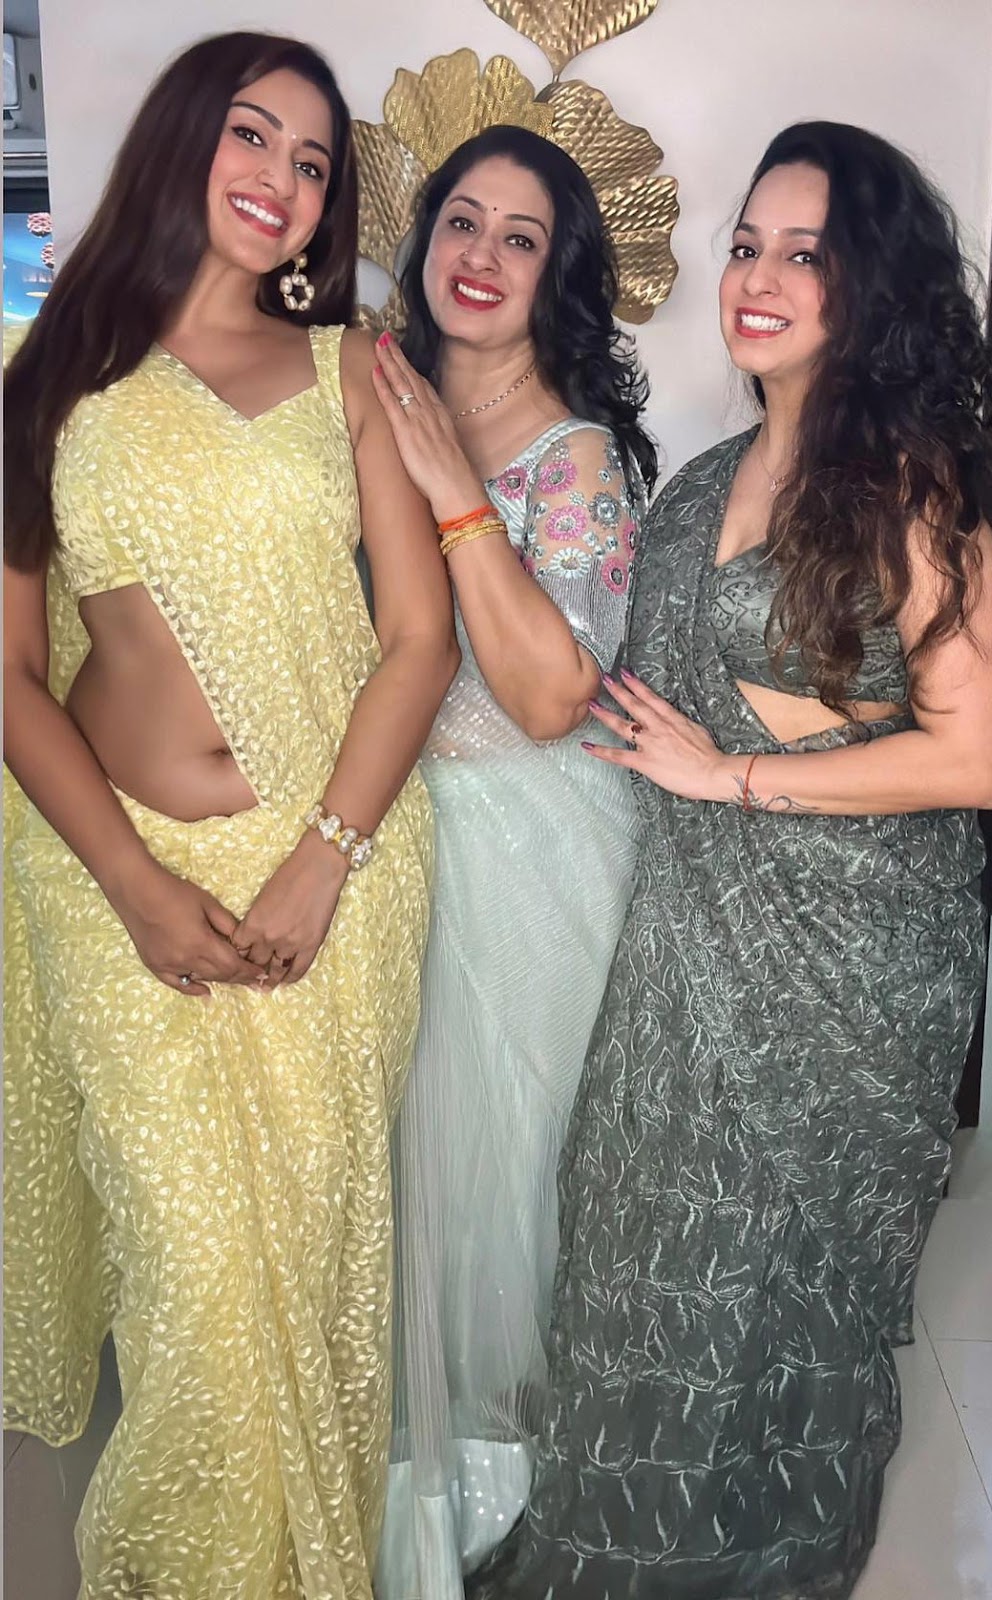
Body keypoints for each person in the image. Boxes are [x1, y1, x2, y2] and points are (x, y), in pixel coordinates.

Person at [468, 121, 992, 1600]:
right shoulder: (701, 483)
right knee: (630, 1250)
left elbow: (973, 760)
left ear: (869, 285)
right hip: (682, 940)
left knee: (775, 1285)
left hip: (847, 971)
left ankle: (757, 1560)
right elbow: (629, 690)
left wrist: (735, 774)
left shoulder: (908, 487)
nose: (758, 279)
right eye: (745, 247)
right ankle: (608, 1554)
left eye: (804, 255)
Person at [3, 31, 458, 1599]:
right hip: (112, 886)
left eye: (313, 162)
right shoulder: (50, 380)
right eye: (254, 137)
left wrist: (324, 862)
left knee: (307, 1272)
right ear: (184, 138)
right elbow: (12, 674)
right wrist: (134, 885)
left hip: (331, 878)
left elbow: (420, 641)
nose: (283, 180)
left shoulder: (351, 371)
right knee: (193, 1288)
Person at [367, 125, 657, 1599]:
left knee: (492, 1181)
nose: (479, 257)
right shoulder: (365, 389)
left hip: (527, 848)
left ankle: (483, 1501)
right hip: (379, 827)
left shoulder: (576, 455)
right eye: (461, 222)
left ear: (558, 276)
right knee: (384, 1170)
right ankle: (390, 1483)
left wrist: (447, 479)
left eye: (520, 237)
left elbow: (548, 697)